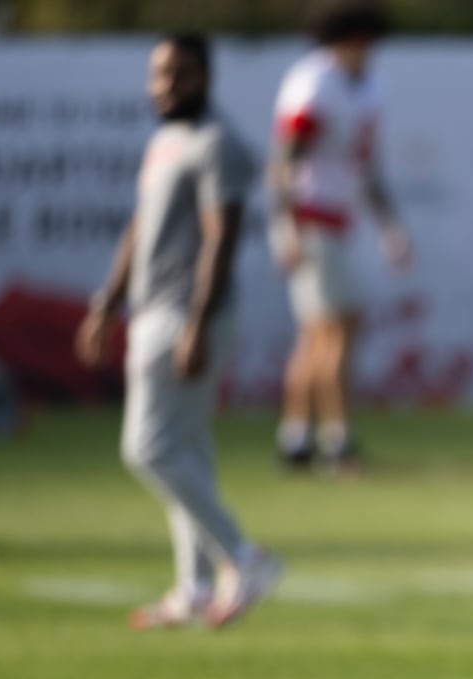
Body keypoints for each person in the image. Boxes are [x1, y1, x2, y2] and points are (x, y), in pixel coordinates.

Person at [76, 32, 282, 630]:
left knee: (147, 448)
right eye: (159, 74)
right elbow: (142, 229)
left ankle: (245, 556)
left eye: (180, 74)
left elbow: (222, 238)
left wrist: (197, 320)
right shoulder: (167, 141)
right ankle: (192, 590)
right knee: (185, 449)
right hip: (151, 308)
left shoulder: (219, 144)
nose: (166, 86)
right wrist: (106, 304)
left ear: (207, 78)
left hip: (186, 313)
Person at [268, 1, 411, 474]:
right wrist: (284, 226)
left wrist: (389, 226)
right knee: (337, 330)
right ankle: (337, 442)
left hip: (342, 219)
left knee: (316, 334)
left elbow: (365, 166)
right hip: (313, 217)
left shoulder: (369, 87)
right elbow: (286, 162)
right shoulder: (316, 82)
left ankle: (296, 440)